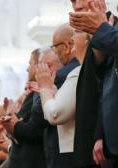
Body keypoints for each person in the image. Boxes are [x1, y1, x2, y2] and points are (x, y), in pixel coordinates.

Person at [69, 0, 118, 166]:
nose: (78, 5)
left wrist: (100, 134)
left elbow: (107, 90)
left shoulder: (111, 31)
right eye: (73, 0)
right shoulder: (87, 38)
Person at [36, 30, 91, 166]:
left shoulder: (77, 73)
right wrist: (52, 90)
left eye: (77, 32)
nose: (72, 38)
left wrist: (45, 88)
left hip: (73, 152)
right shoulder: (81, 70)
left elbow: (55, 114)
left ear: (87, 41)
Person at [2, 48, 47, 168]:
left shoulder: (38, 95)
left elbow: (31, 129)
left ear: (39, 65)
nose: (27, 68)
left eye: (30, 63)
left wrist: (13, 121)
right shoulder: (31, 95)